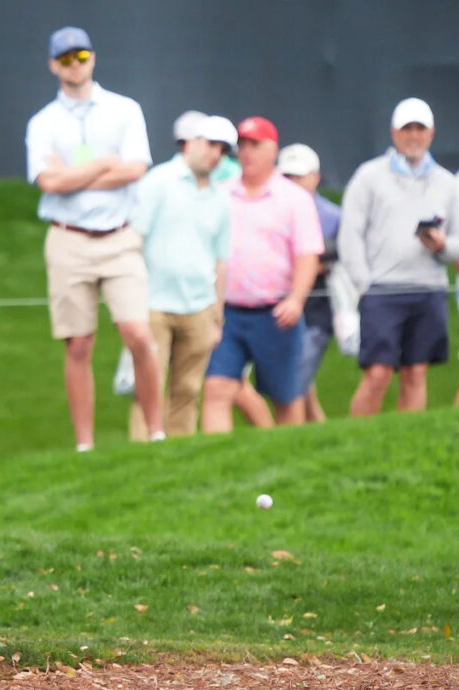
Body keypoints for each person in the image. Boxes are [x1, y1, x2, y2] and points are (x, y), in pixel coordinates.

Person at [26, 26, 163, 451]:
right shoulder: (43, 122)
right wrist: (104, 164)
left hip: (119, 236)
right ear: (54, 65)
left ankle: (156, 433)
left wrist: (72, 177)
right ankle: (85, 445)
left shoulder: (124, 109)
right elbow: (48, 182)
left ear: (93, 58)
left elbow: (135, 168)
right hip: (69, 239)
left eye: (81, 56)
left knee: (138, 335)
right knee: (78, 343)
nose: (75, 64)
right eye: (66, 59)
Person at [201, 117, 323, 432]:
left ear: (273, 150)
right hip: (227, 312)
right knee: (217, 388)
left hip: (276, 312)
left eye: (255, 145)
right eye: (242, 145)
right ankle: (215, 457)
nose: (247, 152)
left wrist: (296, 300)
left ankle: (289, 456)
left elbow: (307, 255)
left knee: (286, 398)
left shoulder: (294, 198)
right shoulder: (221, 194)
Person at [338, 98, 459, 416]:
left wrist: (442, 246)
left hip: (429, 289)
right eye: (407, 129)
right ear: (394, 133)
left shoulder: (447, 184)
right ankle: (357, 439)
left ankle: (407, 440)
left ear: (431, 134)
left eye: (420, 129)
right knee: (377, 373)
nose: (413, 136)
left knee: (416, 372)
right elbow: (350, 234)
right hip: (382, 290)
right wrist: (364, 283)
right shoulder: (369, 176)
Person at [128, 116, 231, 440]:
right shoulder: (158, 182)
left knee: (188, 389)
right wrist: (132, 301)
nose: (215, 154)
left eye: (223, 149)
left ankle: (179, 455)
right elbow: (134, 240)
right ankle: (142, 453)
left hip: (200, 306)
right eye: (211, 144)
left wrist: (217, 314)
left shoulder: (221, 197)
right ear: (192, 141)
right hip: (153, 303)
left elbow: (221, 260)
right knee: (149, 387)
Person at [277, 144, 342, 422]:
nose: (292, 182)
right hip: (277, 302)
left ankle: (286, 435)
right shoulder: (269, 210)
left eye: (299, 176)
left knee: (294, 380)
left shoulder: (332, 216)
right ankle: (316, 432)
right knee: (298, 380)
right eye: (287, 176)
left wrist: (314, 263)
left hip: (316, 307)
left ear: (315, 177)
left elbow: (341, 256)